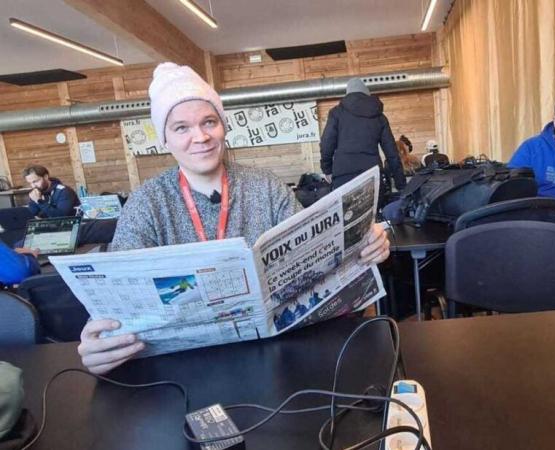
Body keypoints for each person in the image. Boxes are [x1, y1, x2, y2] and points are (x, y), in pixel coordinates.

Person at [78, 63, 391, 375]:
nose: (200, 137)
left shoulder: (266, 187)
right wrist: (99, 344)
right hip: (182, 375)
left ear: (223, 127)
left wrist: (364, 243)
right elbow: (119, 304)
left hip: (273, 364)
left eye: (209, 122)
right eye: (181, 127)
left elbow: (316, 259)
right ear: (165, 139)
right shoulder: (145, 203)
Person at [320, 78, 406, 196]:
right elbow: (391, 152)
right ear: (367, 93)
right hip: (371, 173)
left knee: (347, 214)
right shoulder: (379, 116)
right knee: (374, 213)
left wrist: (327, 170)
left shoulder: (336, 113)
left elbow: (326, 143)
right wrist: (400, 183)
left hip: (343, 175)